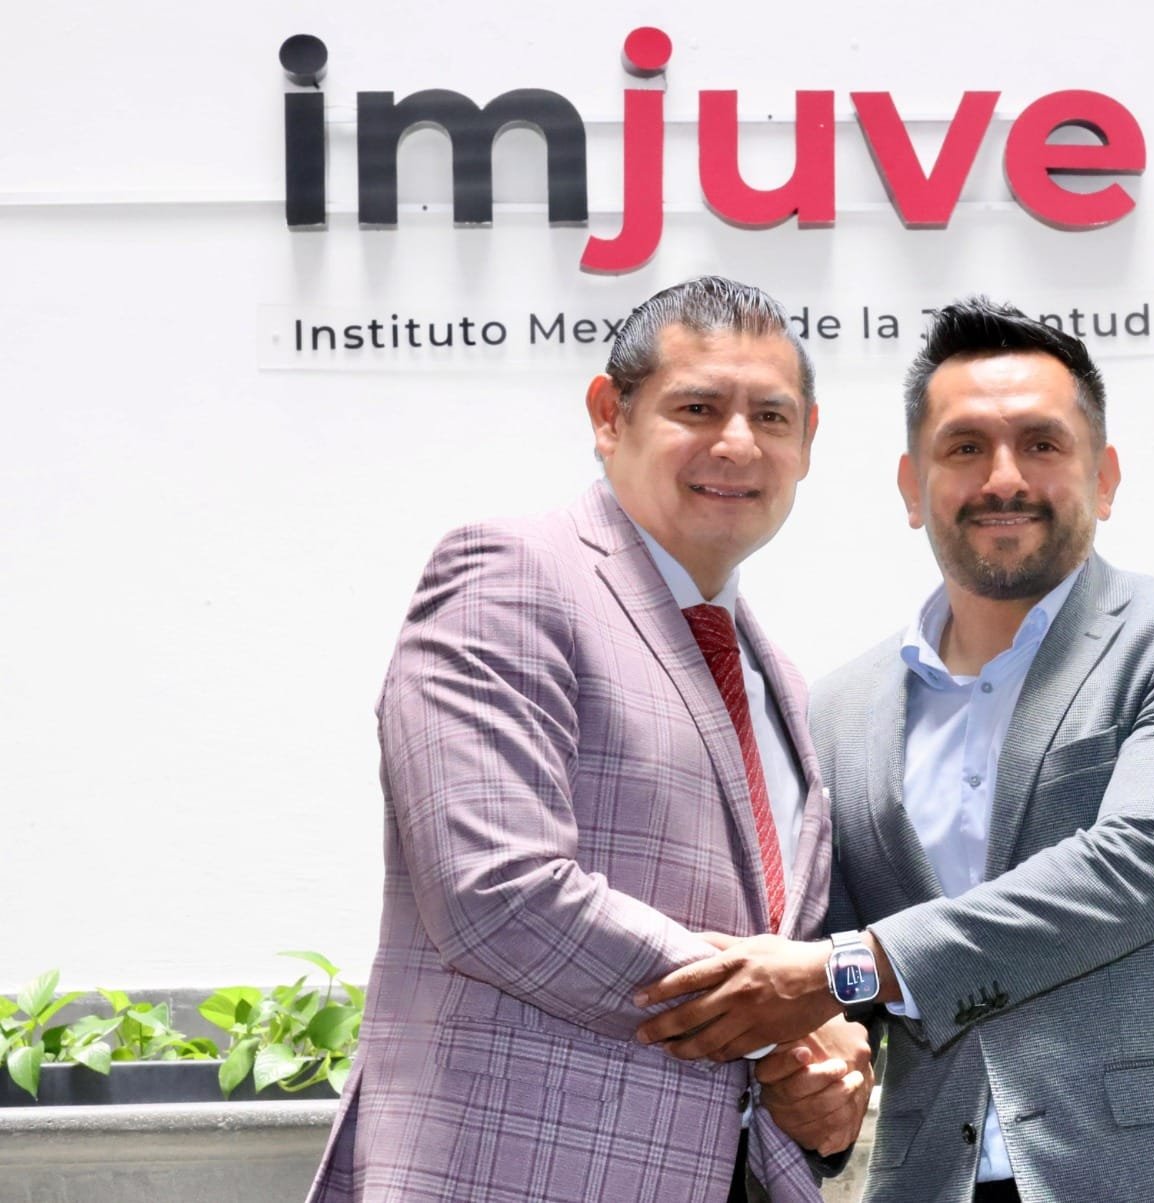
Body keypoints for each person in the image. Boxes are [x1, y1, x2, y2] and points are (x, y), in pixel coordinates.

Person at [635, 298, 1154, 1202]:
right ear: (911, 486)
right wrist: (821, 1080)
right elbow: (829, 976)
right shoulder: (835, 710)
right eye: (964, 448)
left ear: (1104, 477)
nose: (1004, 478)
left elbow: (1129, 870)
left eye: (1042, 443)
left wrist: (849, 966)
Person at [305, 276, 872, 1203]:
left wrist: (819, 1087)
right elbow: (497, 891)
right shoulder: (510, 576)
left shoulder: (781, 682)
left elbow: (780, 970)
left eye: (771, 417)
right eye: (699, 407)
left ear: (807, 441)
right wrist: (782, 1013)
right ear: (610, 415)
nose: (738, 443)